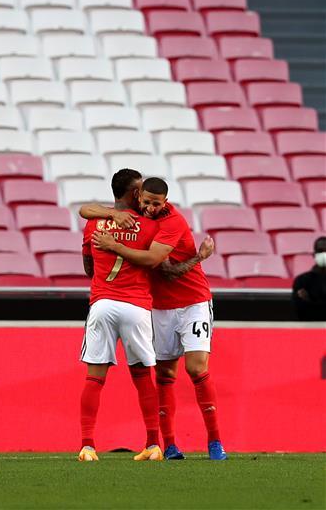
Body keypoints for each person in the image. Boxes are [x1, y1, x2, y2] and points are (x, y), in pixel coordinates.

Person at [91, 177, 227, 461]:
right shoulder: (135, 215)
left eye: (157, 204)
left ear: (165, 202)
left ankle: (215, 442)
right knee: (164, 374)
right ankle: (171, 445)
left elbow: (160, 267)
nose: (151, 208)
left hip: (193, 301)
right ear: (139, 198)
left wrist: (113, 245)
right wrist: (112, 213)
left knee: (196, 368)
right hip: (159, 306)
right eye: (147, 202)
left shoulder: (173, 222)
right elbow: (86, 210)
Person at [78, 169, 163, 462]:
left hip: (102, 304)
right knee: (142, 376)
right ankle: (153, 443)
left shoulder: (94, 224)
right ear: (135, 192)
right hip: (137, 306)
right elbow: (156, 264)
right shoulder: (150, 226)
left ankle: (87, 446)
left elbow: (88, 267)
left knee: (95, 377)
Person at [291, 236, 326, 321]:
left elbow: (308, 307)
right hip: (310, 329)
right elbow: (300, 311)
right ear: (314, 255)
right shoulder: (301, 281)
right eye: (320, 251)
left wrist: (309, 301)